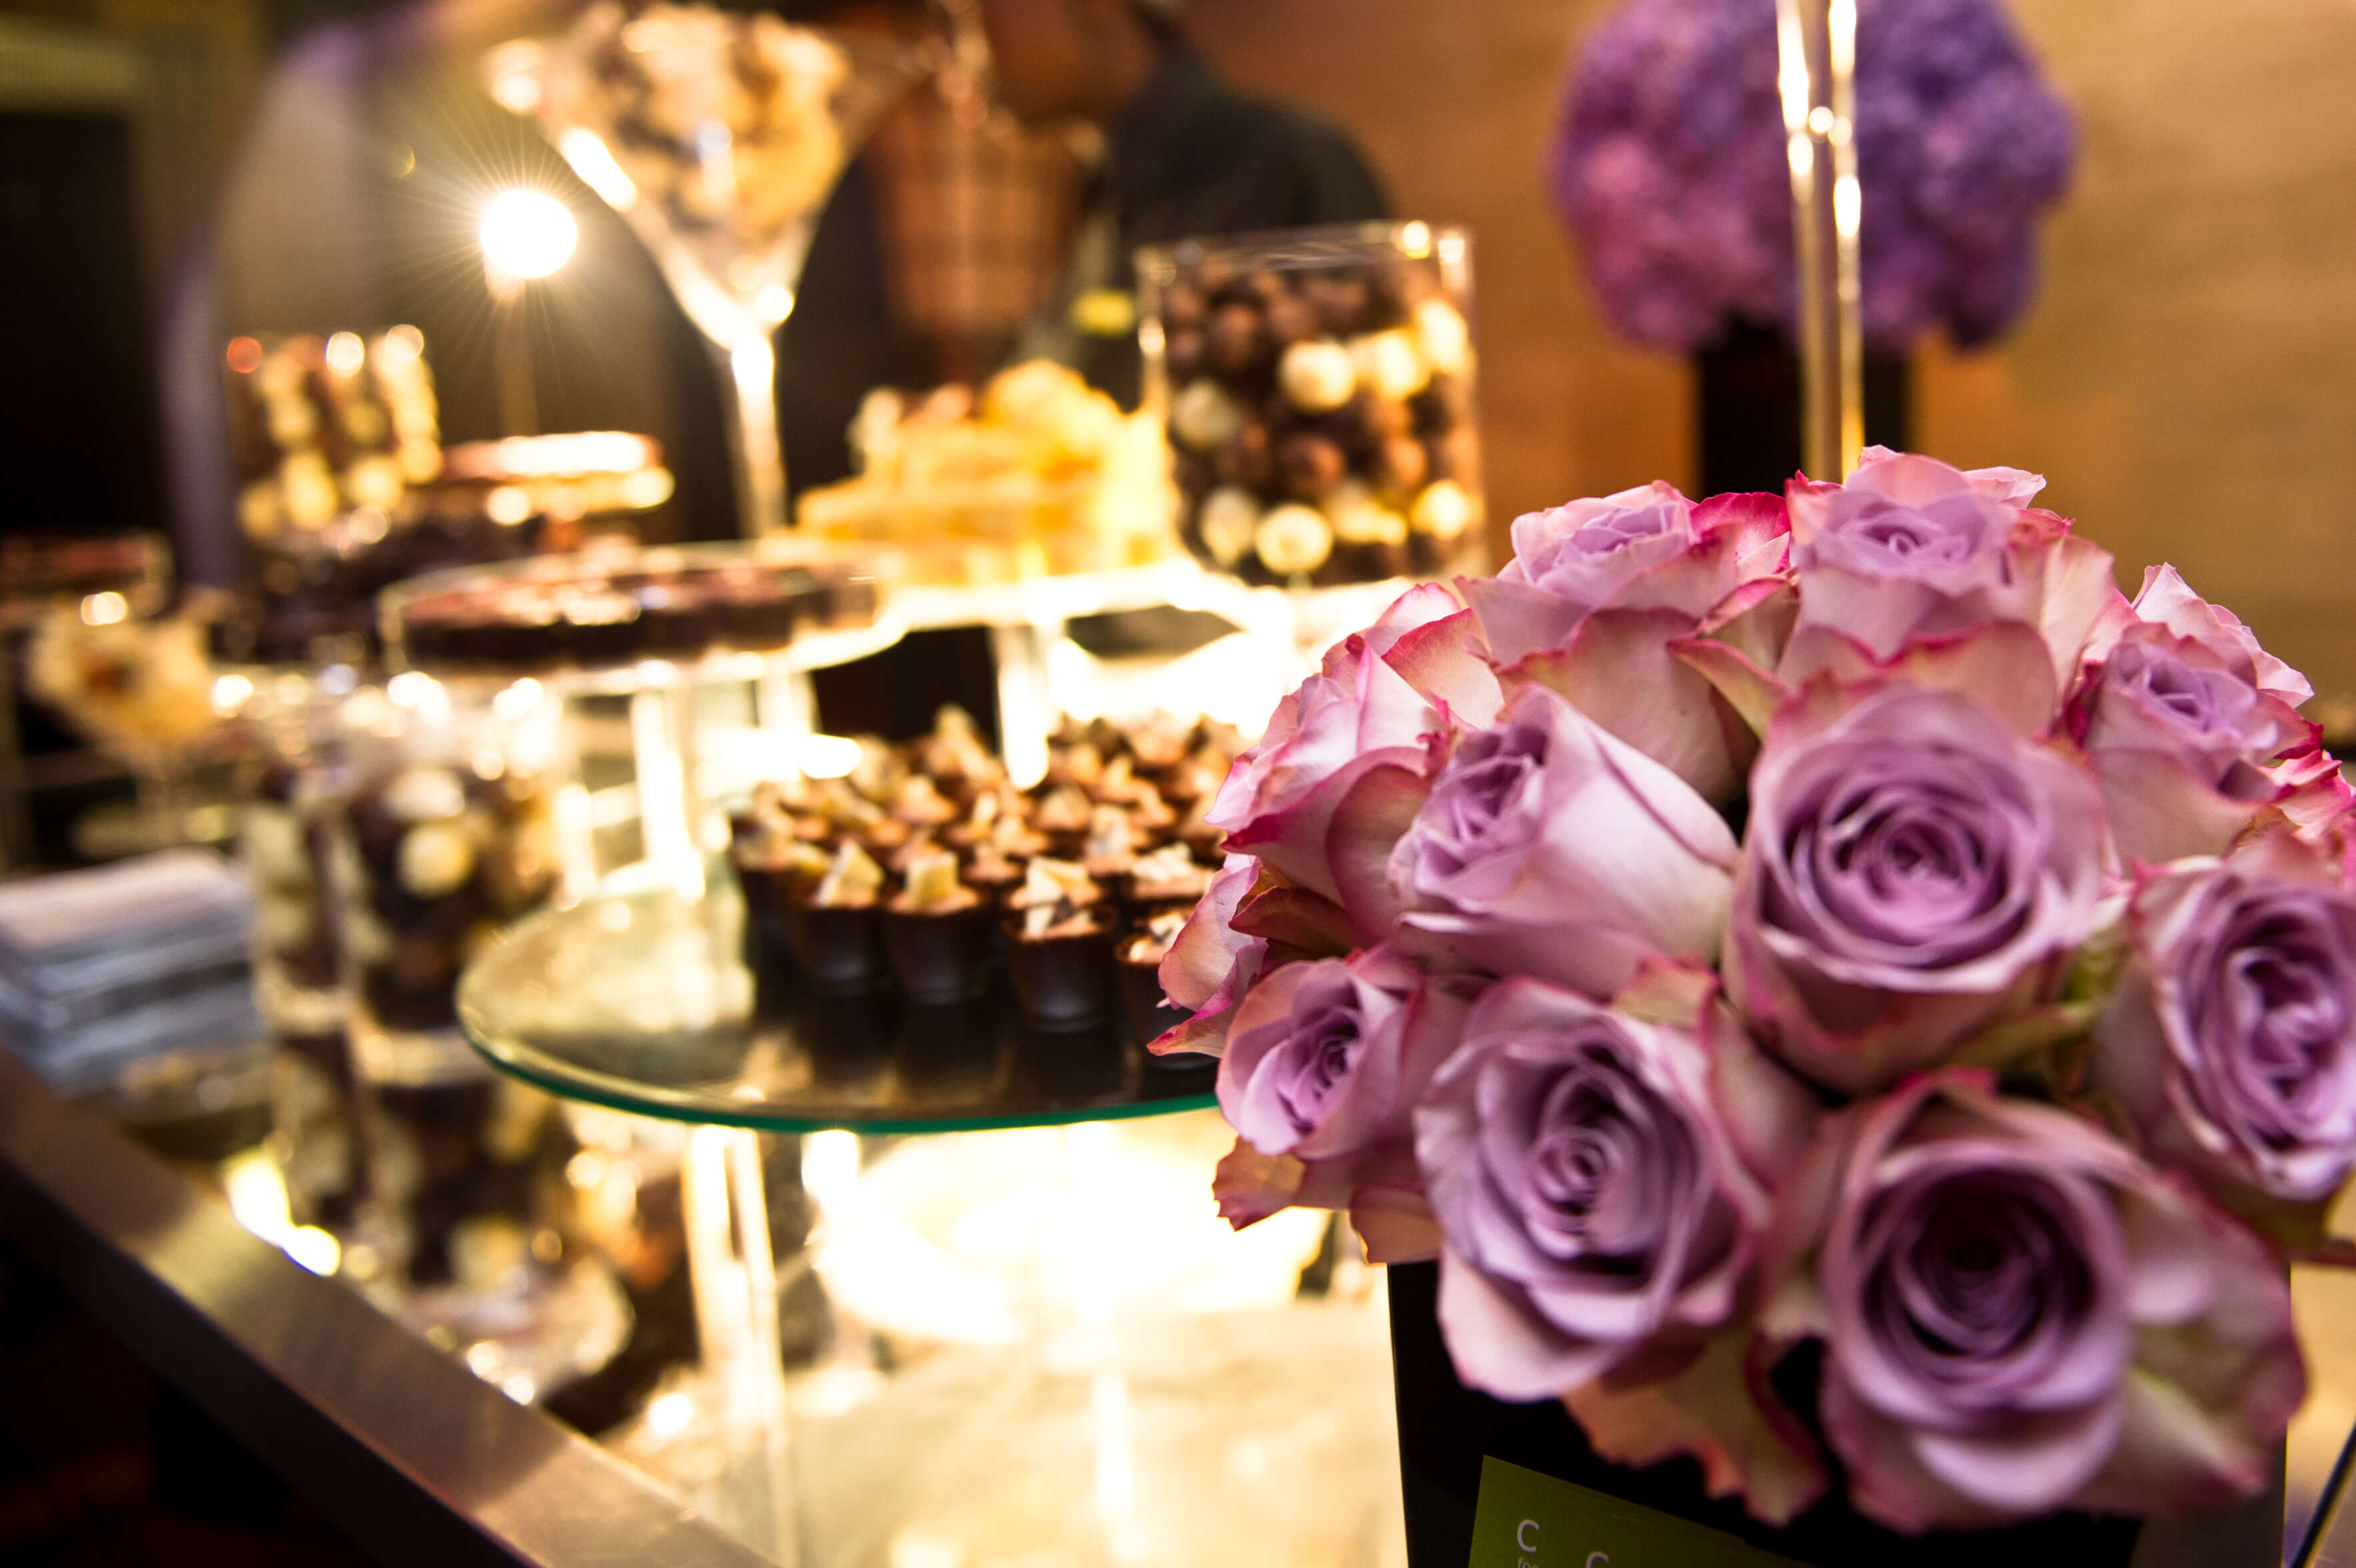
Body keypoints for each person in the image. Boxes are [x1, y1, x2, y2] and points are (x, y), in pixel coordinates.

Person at [979, 0, 1389, 407]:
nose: (966, 45)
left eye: (978, 7)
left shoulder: (1294, 165)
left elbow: (1365, 403)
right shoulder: (1108, 181)